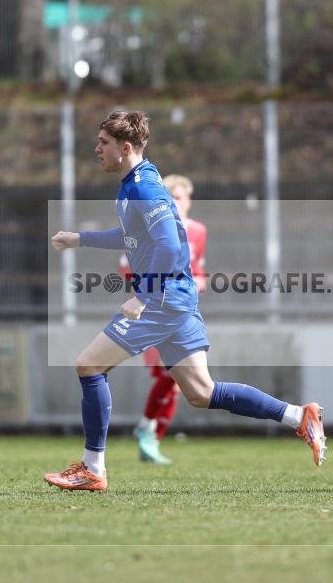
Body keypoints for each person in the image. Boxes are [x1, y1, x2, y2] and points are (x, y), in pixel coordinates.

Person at [44, 111, 326, 492]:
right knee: (201, 392)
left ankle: (93, 468)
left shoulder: (143, 188)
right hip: (176, 298)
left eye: (104, 143)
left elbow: (170, 245)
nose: (97, 150)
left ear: (125, 148)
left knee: (89, 366)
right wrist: (81, 239)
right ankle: (299, 416)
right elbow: (133, 237)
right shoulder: (137, 181)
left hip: (162, 299)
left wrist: (142, 295)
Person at [119, 174, 208, 464]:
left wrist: (199, 281)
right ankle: (147, 431)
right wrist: (147, 292)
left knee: (181, 384)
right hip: (155, 310)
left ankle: (151, 439)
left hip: (183, 310)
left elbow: (198, 268)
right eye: (172, 198)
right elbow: (127, 267)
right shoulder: (150, 230)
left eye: (181, 197)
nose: (177, 203)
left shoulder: (197, 231)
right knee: (168, 376)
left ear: (189, 200)